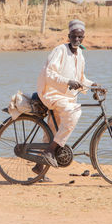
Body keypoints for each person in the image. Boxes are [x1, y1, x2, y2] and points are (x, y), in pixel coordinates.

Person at [33, 19, 99, 171]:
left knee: (52, 131)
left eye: (80, 37)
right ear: (68, 36)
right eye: (74, 36)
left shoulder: (80, 55)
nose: (77, 40)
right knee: (74, 113)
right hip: (51, 93)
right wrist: (68, 81)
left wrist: (93, 85)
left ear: (83, 37)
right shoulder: (60, 50)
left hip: (67, 97)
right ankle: (50, 151)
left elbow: (81, 79)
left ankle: (39, 169)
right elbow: (49, 73)